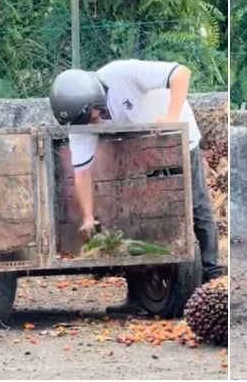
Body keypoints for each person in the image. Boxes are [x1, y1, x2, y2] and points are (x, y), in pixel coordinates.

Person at [48, 60, 225, 313]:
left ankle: (213, 279)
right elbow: (82, 173)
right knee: (132, 215)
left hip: (176, 140)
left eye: (91, 117)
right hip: (136, 150)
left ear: (95, 101)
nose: (90, 125)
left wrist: (171, 117)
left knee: (196, 206)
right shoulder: (82, 121)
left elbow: (181, 73)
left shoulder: (124, 74)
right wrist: (87, 217)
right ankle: (138, 295)